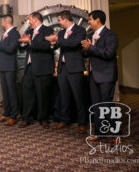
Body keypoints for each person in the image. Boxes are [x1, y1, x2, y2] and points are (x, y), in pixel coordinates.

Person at [45, 10, 87, 134]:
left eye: (59, 20)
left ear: (65, 19)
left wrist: (58, 39)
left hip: (75, 69)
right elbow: (57, 46)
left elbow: (74, 43)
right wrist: (52, 44)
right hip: (62, 69)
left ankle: (82, 123)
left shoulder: (80, 30)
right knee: (64, 96)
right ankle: (64, 120)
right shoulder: (62, 32)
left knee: (78, 97)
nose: (58, 22)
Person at [81, 10, 118, 144]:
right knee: (96, 106)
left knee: (108, 105)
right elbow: (87, 54)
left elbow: (108, 54)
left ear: (98, 20)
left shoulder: (110, 35)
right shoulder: (90, 35)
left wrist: (90, 47)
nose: (89, 22)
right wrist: (85, 50)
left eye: (90, 19)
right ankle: (100, 133)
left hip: (106, 75)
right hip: (93, 75)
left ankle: (116, 134)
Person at [18, 12, 54, 128]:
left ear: (35, 19)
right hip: (29, 67)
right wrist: (23, 43)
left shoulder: (48, 30)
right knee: (27, 93)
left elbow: (45, 46)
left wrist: (30, 42)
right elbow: (22, 47)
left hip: (42, 67)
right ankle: (26, 118)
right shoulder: (29, 31)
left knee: (42, 94)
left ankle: (43, 119)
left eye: (30, 19)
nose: (29, 22)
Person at [0, 15, 21, 126]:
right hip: (3, 66)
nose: (1, 22)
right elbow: (1, 49)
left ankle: (14, 116)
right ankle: (6, 113)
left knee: (12, 92)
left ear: (5, 22)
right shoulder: (5, 34)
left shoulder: (15, 34)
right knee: (5, 92)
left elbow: (10, 49)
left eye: (2, 21)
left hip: (10, 67)